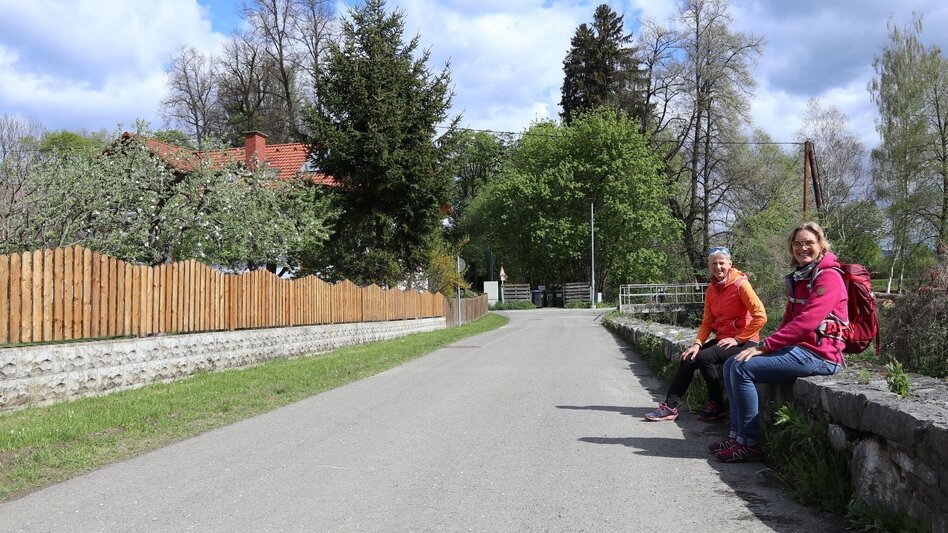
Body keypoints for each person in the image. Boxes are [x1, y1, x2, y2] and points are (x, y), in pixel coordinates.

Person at [713, 222, 847, 463]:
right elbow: (788, 320)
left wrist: (765, 347)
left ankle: (749, 443)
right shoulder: (800, 277)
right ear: (791, 247)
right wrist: (763, 345)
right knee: (731, 363)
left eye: (809, 243)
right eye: (797, 243)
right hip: (799, 350)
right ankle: (736, 437)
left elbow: (807, 322)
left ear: (821, 245)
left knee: (743, 368)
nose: (802, 248)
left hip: (821, 356)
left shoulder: (829, 277)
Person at [645, 247, 767, 422]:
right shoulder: (711, 289)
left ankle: (716, 405)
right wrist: (697, 343)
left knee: (704, 358)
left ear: (730, 264)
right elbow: (707, 322)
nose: (718, 267)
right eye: (714, 264)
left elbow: (761, 316)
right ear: (709, 266)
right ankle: (670, 407)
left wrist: (738, 338)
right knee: (689, 357)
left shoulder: (741, 285)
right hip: (723, 339)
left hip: (745, 340)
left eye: (721, 263)